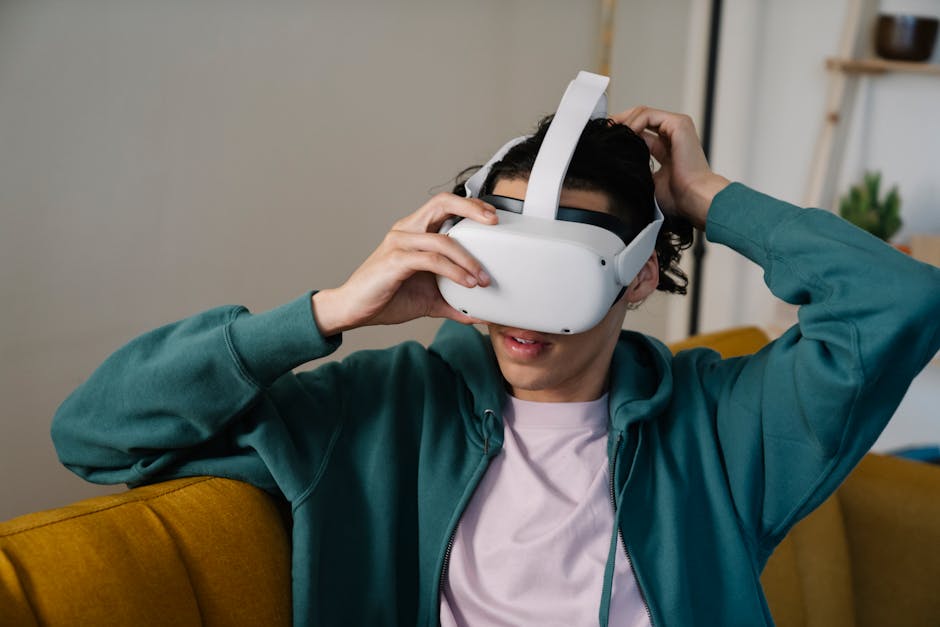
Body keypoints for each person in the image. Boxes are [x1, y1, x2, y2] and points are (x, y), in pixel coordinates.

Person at [51, 106, 940, 627]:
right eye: (503, 259)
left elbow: (900, 303)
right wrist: (331, 311)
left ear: (636, 277)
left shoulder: (718, 425)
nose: (522, 316)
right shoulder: (379, 409)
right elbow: (94, 433)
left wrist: (701, 195)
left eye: (566, 270)